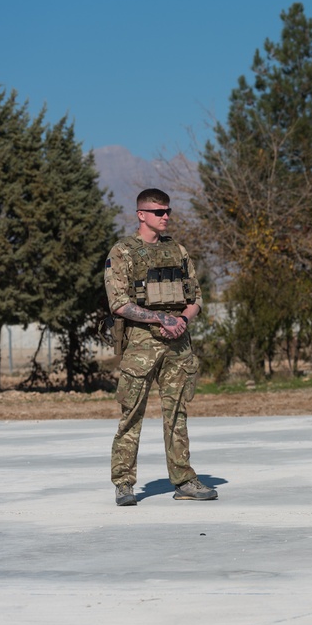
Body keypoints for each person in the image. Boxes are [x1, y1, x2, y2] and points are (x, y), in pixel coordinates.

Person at [104, 188, 217, 506]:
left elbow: (196, 297)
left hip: (178, 345)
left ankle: (184, 480)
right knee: (131, 415)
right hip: (141, 346)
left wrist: (181, 319)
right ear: (141, 215)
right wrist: (160, 320)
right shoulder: (123, 252)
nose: (165, 216)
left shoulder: (178, 251)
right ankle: (124, 483)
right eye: (158, 212)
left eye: (168, 211)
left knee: (177, 414)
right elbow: (119, 303)